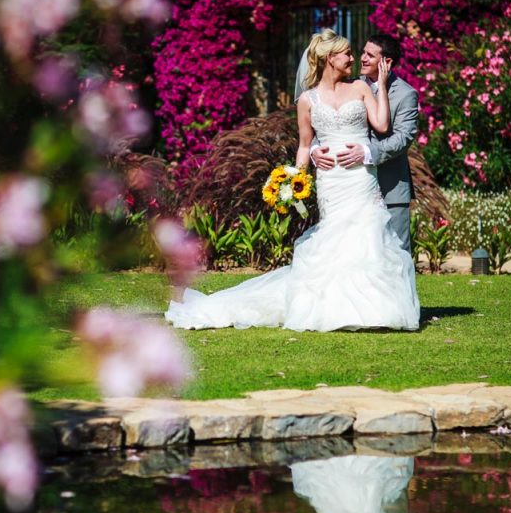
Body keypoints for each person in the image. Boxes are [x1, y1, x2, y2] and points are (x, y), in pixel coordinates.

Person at [165, 30, 419, 331]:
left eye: (362, 54)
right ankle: (332, 308)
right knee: (335, 241)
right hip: (332, 180)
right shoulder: (308, 99)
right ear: (328, 58)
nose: (355, 58)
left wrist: (369, 139)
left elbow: (389, 129)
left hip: (362, 178)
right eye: (349, 53)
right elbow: (304, 142)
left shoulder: (365, 89)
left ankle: (374, 310)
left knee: (367, 239)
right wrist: (296, 178)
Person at [295, 33, 418, 253]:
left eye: (369, 55)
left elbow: (403, 138)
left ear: (386, 62)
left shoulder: (406, 94)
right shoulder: (351, 84)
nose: (360, 58)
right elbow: (323, 129)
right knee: (340, 245)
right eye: (360, 52)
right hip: (337, 180)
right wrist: (314, 151)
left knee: (394, 252)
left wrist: (367, 153)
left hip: (387, 184)